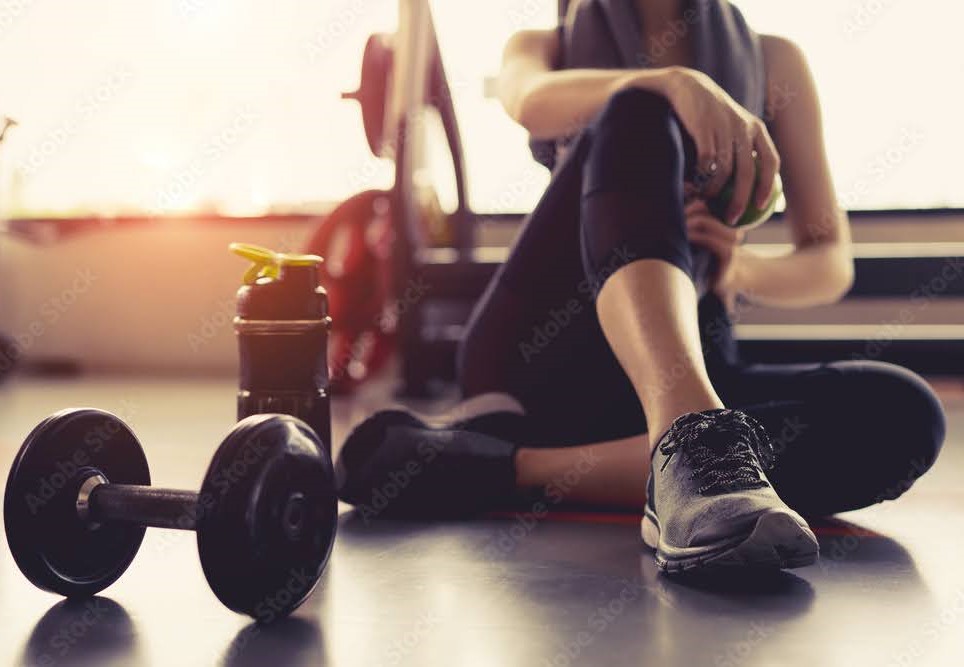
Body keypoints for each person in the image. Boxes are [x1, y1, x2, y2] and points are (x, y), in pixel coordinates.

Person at [335, 0, 945, 573]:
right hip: (544, 357)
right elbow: (528, 100)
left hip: (695, 354)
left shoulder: (775, 60)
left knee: (905, 415)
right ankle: (693, 448)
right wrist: (675, 82)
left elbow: (829, 263)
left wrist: (741, 271)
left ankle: (514, 466)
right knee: (640, 104)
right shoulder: (541, 44)